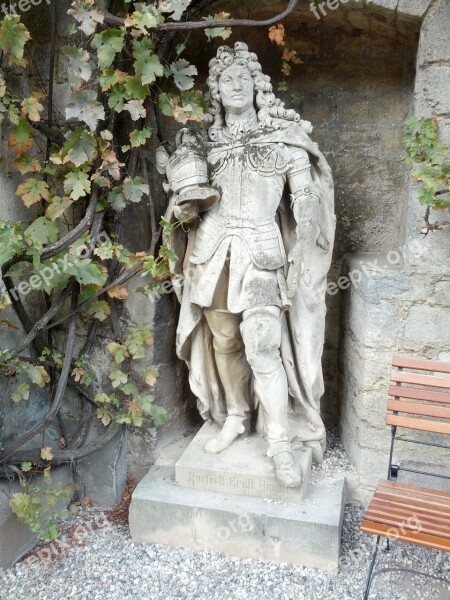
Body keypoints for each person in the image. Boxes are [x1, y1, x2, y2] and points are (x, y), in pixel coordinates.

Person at [164, 42, 335, 487]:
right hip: (211, 253)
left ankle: (279, 441)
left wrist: (306, 237)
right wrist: (183, 210)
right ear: (216, 92)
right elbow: (187, 206)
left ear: (257, 87)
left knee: (262, 344)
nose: (235, 85)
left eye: (244, 78)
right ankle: (236, 416)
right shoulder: (205, 146)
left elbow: (306, 194)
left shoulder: (282, 138)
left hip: (261, 251)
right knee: (223, 341)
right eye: (226, 80)